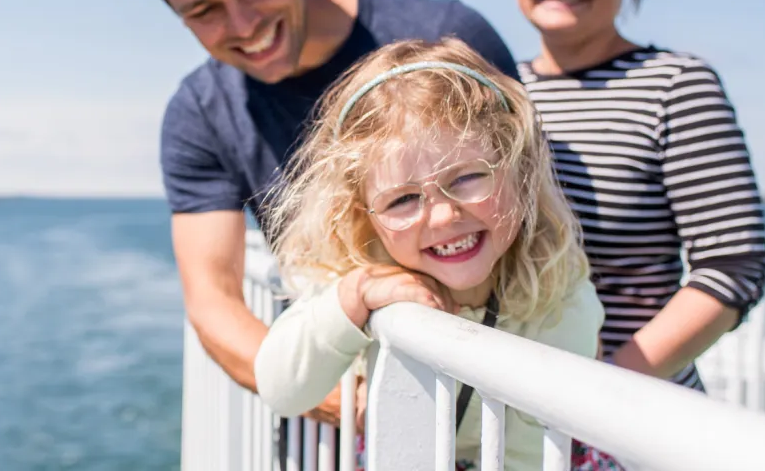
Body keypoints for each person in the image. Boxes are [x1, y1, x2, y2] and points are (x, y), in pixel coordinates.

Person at [120, 0, 519, 425]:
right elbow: (214, 303)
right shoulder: (200, 114)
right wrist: (360, 413)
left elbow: (541, 214)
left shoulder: (448, 37)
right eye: (204, 11)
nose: (244, 25)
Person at [253, 38, 615, 470]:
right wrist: (353, 299)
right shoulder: (364, 277)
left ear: (518, 171)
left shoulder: (557, 286)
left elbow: (529, 453)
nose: (443, 217)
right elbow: (280, 388)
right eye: (402, 200)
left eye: (466, 179)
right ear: (364, 215)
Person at [510, 0, 765, 393]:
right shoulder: (497, 91)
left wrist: (603, 390)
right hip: (518, 423)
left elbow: (733, 266)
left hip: (626, 418)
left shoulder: (675, 84)